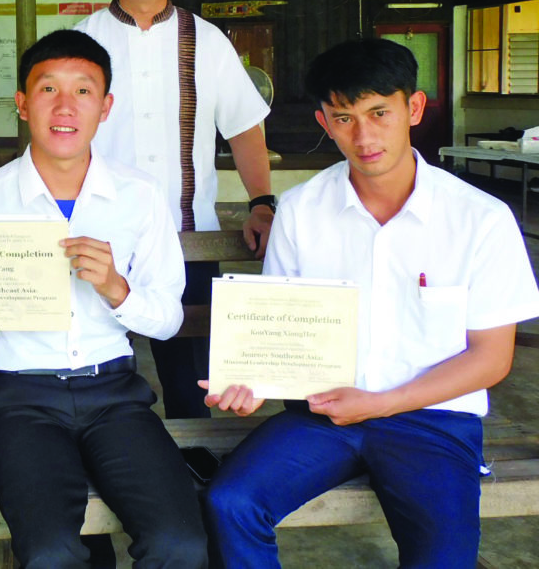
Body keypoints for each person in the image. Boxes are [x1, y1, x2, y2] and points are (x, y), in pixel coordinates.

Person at [203, 38, 539, 568]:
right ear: (324, 122)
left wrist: (383, 403)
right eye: (343, 118)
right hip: (325, 415)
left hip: (433, 421)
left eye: (379, 112)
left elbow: (491, 358)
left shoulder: (481, 219)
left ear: (415, 108)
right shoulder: (301, 210)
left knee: (444, 557)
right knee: (230, 502)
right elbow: (280, 329)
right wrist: (253, 381)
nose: (363, 136)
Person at [0, 29, 208, 569]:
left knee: (180, 541)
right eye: (47, 90)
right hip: (23, 402)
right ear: (21, 104)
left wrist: (115, 288)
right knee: (49, 551)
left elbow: (167, 319)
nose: (65, 106)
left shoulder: (139, 196)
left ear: (106, 107)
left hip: (116, 396)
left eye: (83, 91)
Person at [74, 0, 275, 420]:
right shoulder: (80, 43)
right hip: (95, 241)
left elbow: (244, 128)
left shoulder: (208, 41)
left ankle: (197, 463)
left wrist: (262, 204)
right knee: (88, 363)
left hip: (190, 239)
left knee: (192, 380)